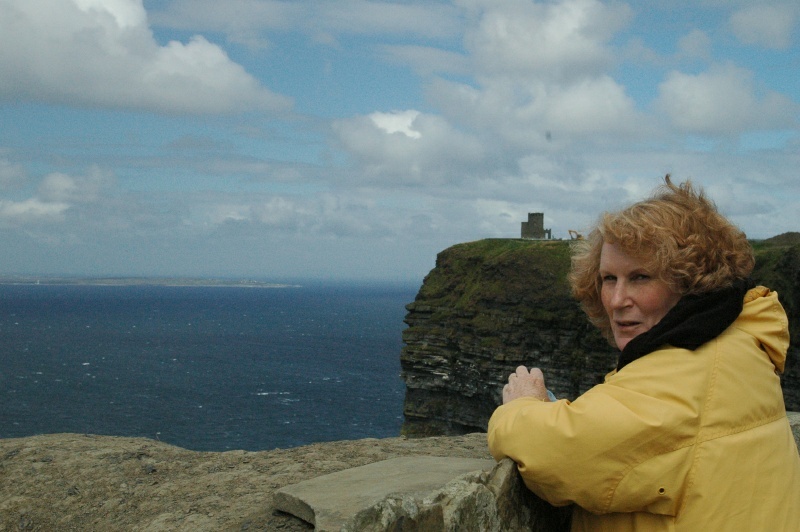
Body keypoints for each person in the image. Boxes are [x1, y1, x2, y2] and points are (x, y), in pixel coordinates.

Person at [487, 176, 800, 530]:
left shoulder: (681, 380)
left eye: (640, 278)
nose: (618, 300)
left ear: (691, 281)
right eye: (608, 279)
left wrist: (521, 406)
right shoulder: (738, 345)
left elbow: (554, 453)